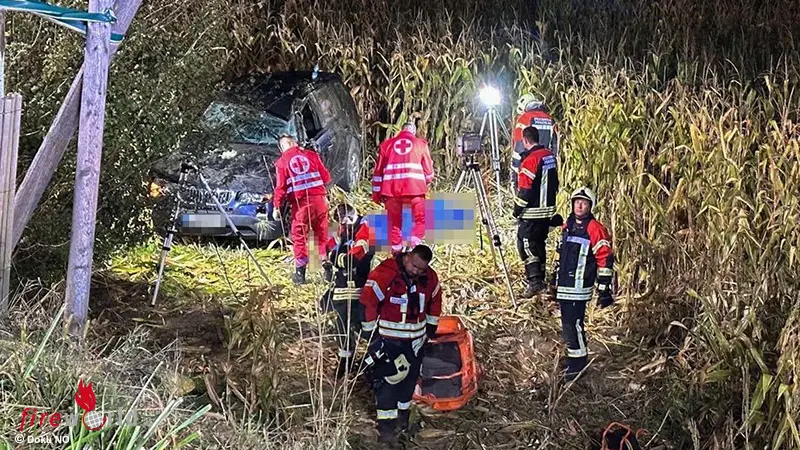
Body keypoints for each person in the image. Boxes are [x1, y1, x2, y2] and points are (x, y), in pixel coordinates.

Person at [359, 244, 442, 444]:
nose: (416, 271)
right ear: (407, 257)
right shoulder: (385, 273)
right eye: (413, 266)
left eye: (421, 269)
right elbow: (368, 302)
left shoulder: (429, 278)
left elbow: (435, 301)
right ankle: (386, 430)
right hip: (390, 340)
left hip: (415, 342)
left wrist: (431, 327)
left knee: (409, 382)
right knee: (388, 384)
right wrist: (371, 336)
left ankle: (402, 423)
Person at [551, 187, 615, 381]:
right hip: (565, 284)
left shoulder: (594, 228)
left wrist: (604, 288)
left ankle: (578, 364)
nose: (579, 205)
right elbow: (561, 254)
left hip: (579, 285)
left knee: (574, 323)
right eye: (577, 202)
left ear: (590, 206)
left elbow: (605, 257)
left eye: (584, 202)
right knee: (567, 324)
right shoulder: (567, 225)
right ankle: (574, 356)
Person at [320, 203, 375, 378]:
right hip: (342, 286)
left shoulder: (365, 227)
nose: (344, 226)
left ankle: (372, 359)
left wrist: (336, 258)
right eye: (342, 223)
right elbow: (329, 247)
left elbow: (357, 256)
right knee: (341, 326)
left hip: (360, 286)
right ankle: (346, 361)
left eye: (346, 221)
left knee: (365, 326)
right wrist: (330, 258)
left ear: (353, 215)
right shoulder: (342, 229)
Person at [272, 135, 331, 284]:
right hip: (319, 201)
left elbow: (280, 188)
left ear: (282, 147)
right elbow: (326, 177)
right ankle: (327, 266)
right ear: (295, 143)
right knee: (321, 234)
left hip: (300, 205)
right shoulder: (312, 155)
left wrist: (276, 206)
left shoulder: (282, 162)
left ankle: (300, 273)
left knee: (299, 237)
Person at [372, 122, 434, 254]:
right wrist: (425, 182)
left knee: (394, 224)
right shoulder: (420, 144)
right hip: (415, 191)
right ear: (413, 131)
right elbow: (429, 173)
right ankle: (413, 246)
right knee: (421, 220)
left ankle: (396, 253)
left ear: (402, 130)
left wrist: (376, 194)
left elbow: (378, 173)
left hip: (391, 192)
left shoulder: (386, 145)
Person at [513, 126, 560, 298]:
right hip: (547, 211)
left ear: (525, 140)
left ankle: (535, 282)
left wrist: (517, 210)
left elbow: (525, 190)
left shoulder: (531, 160)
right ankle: (540, 277)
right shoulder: (549, 156)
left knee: (525, 244)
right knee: (539, 244)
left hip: (532, 212)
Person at [511, 95, 559, 190]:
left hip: (529, 166)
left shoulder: (524, 118)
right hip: (547, 165)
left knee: (526, 198)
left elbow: (519, 145)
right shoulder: (549, 119)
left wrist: (515, 167)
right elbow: (555, 145)